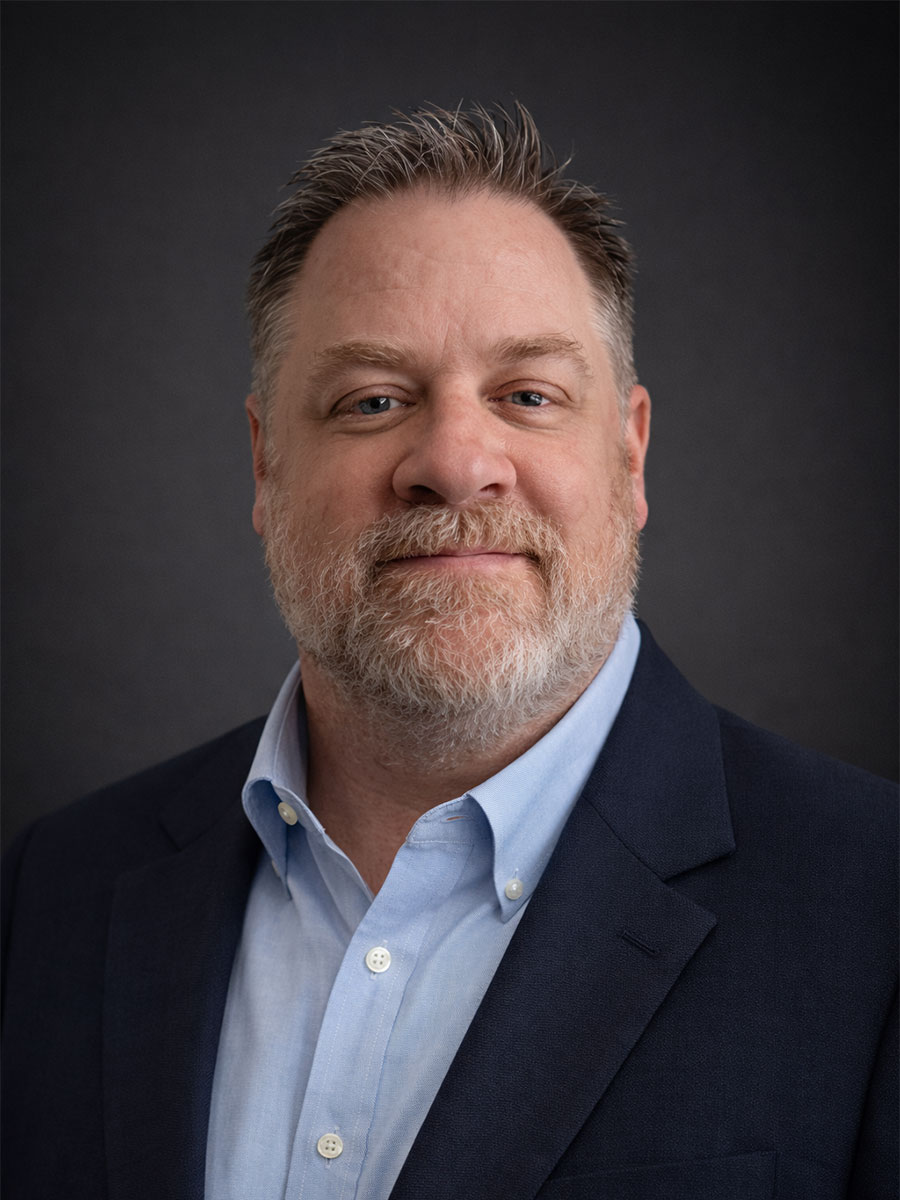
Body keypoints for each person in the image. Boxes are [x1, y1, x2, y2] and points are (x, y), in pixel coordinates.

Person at [2, 104, 895, 1200]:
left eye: (528, 395)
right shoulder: (50, 897)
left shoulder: (877, 906)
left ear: (630, 453)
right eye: (372, 400)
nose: (456, 462)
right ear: (263, 464)